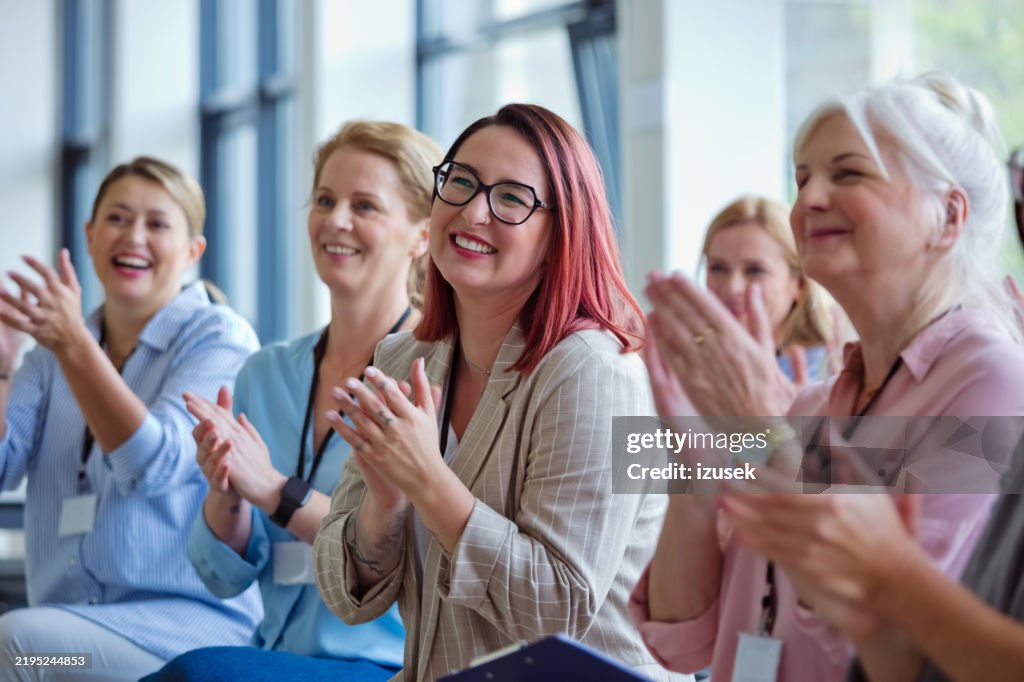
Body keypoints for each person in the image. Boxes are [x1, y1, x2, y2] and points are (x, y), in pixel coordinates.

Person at [631, 73, 1024, 681]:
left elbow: (917, 649)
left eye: (848, 173)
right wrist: (696, 464)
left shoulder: (992, 378)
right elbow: (684, 639)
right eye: (802, 176)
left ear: (948, 216)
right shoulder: (812, 404)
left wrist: (766, 426)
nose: (809, 199)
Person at [313, 103, 686, 681]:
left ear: (563, 230)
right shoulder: (403, 357)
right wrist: (383, 506)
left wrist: (427, 482)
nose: (473, 210)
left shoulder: (592, 370)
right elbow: (346, 595)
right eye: (460, 182)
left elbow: (558, 606)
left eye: (512, 198)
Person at [144, 121, 439, 682]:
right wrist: (227, 491)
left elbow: (414, 552)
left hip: (385, 665)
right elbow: (225, 578)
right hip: (273, 653)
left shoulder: (435, 374)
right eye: (325, 200)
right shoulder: (266, 372)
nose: (336, 220)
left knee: (197, 675)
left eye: (365, 206)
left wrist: (277, 493)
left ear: (422, 234)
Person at [0, 157, 262, 680]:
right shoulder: (50, 354)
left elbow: (151, 465)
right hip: (78, 627)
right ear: (91, 236)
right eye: (117, 219)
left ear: (193, 252)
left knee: (18, 649)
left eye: (158, 224)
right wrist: (2, 366)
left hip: (184, 635)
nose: (134, 236)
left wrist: (74, 344)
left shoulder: (218, 338)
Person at [700, 194, 832, 383]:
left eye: (755, 270)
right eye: (718, 268)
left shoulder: (829, 372)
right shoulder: (689, 364)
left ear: (800, 284)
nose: (732, 288)